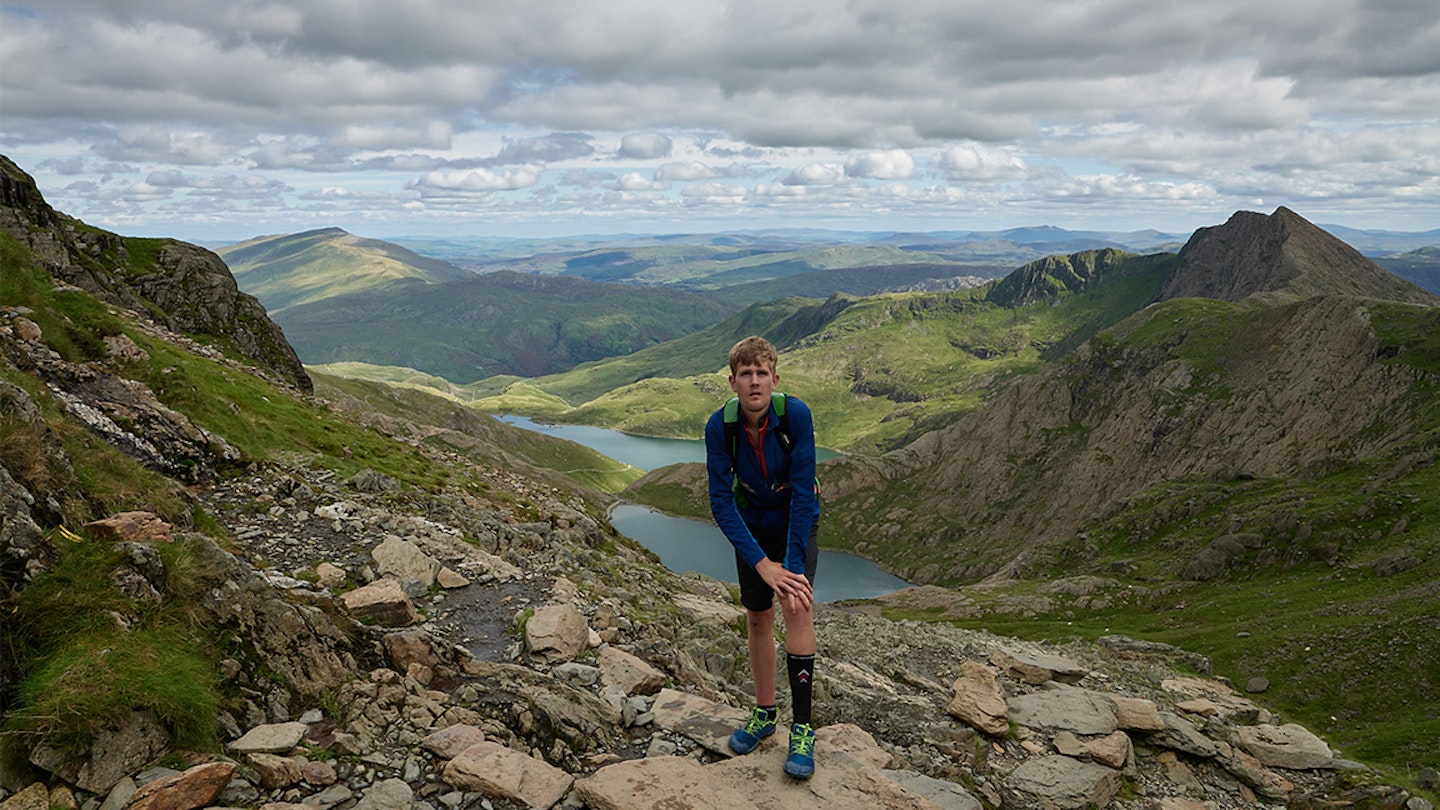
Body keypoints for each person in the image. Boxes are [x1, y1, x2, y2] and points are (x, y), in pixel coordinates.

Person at [705, 335, 822, 779]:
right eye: (745, 374)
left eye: (761, 373)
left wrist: (789, 566)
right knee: (757, 617)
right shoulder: (721, 427)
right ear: (732, 381)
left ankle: (804, 730)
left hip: (796, 518)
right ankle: (765, 713)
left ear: (775, 378)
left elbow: (803, 494)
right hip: (753, 525)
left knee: (795, 605)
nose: (754, 381)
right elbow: (721, 503)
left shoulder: (795, 416)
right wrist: (762, 564)